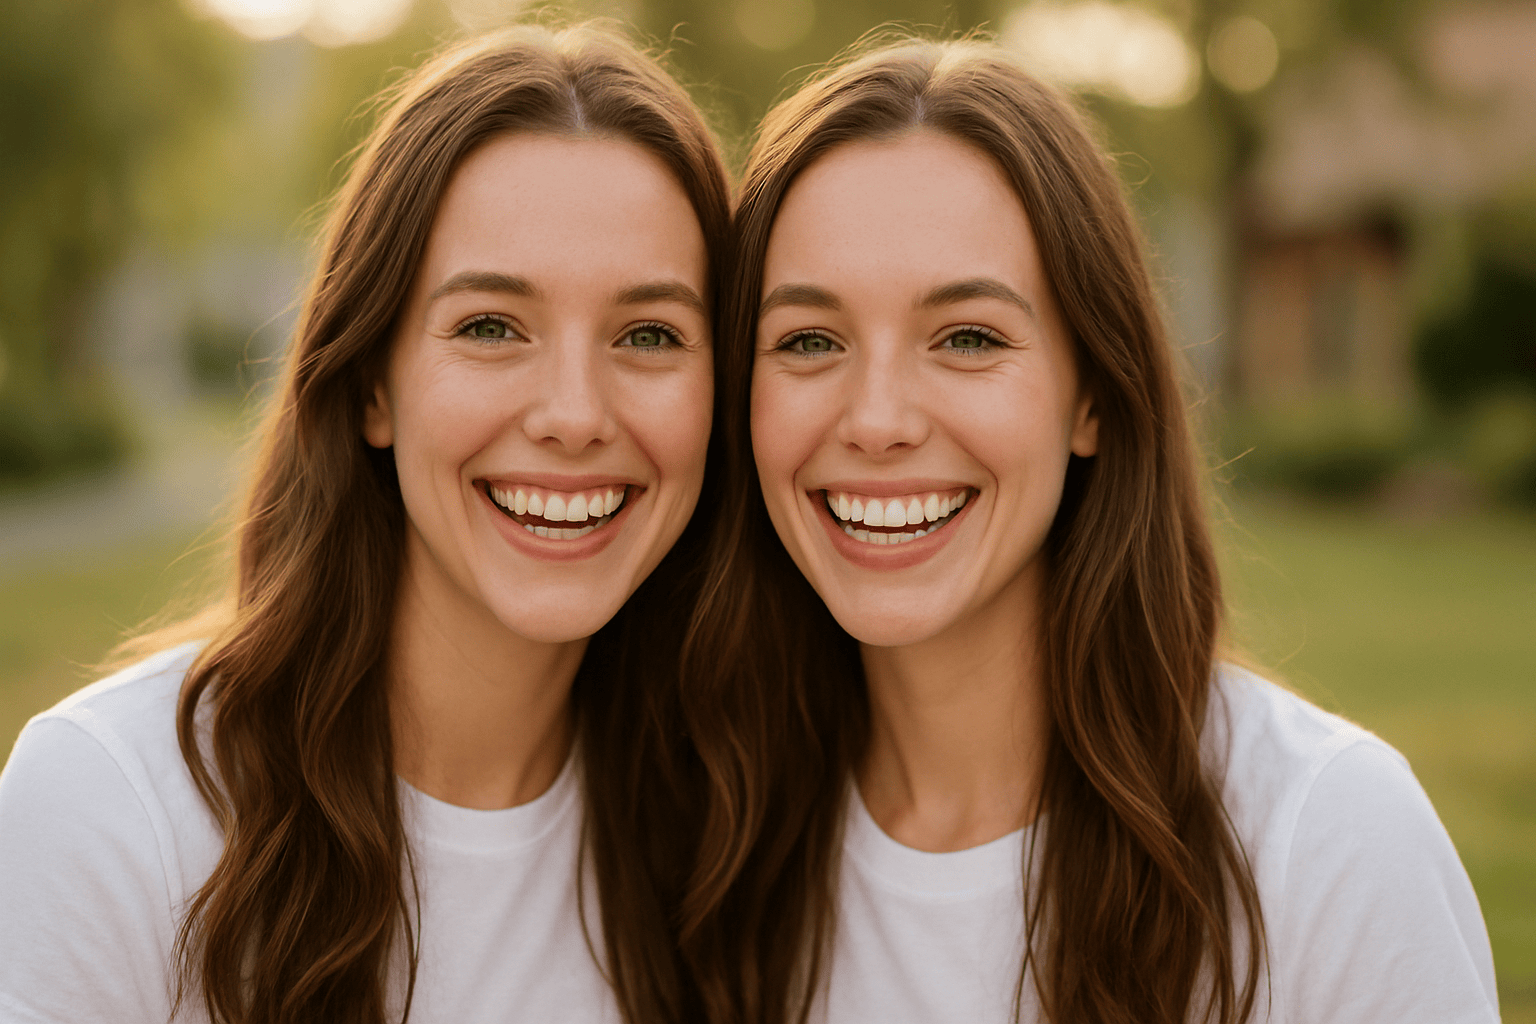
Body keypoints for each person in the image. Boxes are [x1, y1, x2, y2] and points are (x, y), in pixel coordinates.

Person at [678, 37, 1500, 1024]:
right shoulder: (702, 844)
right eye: (810, 340)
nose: (877, 418)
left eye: (968, 338)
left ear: (1093, 397)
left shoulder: (1324, 841)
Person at [0, 23, 729, 1024]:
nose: (574, 414)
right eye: (489, 326)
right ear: (372, 387)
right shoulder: (117, 805)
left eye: (649, 334)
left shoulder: (734, 839)